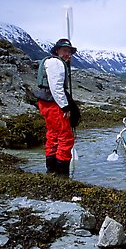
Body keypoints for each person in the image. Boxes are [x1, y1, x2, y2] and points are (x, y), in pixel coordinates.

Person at [35, 38, 77, 177]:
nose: (67, 54)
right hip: (54, 104)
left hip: (46, 102)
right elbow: (56, 87)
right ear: (57, 51)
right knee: (65, 136)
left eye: (69, 52)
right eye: (65, 51)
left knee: (53, 134)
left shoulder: (55, 62)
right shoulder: (56, 63)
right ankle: (62, 174)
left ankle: (51, 170)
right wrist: (65, 107)